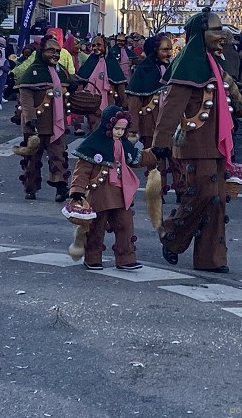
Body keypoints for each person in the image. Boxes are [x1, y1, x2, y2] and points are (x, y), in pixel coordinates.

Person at [151, 10, 242, 273]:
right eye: (214, 30)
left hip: (218, 144)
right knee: (203, 193)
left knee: (217, 201)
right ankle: (171, 235)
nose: (221, 35)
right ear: (199, 36)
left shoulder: (217, 64)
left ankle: (211, 259)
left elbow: (234, 94)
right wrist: (161, 141)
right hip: (195, 141)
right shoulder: (187, 65)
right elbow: (171, 108)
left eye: (221, 29)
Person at [64, 106, 156, 270]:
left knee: (125, 225)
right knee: (96, 227)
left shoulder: (123, 144)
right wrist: (77, 191)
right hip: (100, 192)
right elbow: (82, 170)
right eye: (117, 128)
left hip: (121, 192)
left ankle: (126, 258)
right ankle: (92, 257)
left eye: (122, 129)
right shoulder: (93, 144)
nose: (120, 132)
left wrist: (155, 153)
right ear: (108, 126)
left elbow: (136, 158)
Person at [14, 34, 72, 202]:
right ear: (41, 52)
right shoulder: (31, 72)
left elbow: (66, 90)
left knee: (59, 156)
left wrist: (74, 85)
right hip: (36, 125)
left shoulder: (61, 71)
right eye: (50, 51)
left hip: (56, 123)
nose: (55, 54)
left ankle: (61, 187)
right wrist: (30, 118)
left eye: (57, 51)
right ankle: (30, 188)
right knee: (32, 159)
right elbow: (25, 99)